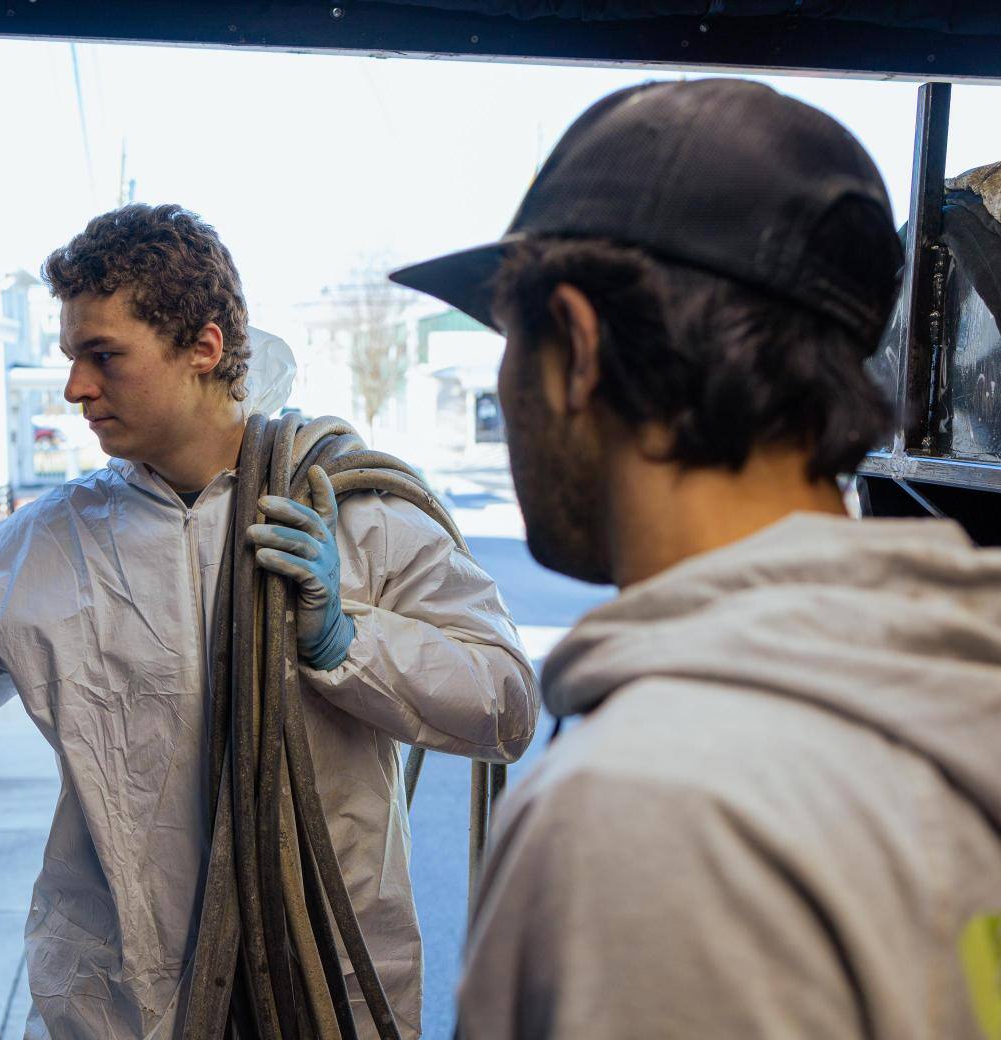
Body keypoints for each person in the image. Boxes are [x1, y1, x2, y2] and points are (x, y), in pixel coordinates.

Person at [0, 203, 540, 1040]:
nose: (76, 387)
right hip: (116, 999)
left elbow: (503, 701)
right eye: (70, 355)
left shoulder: (353, 514)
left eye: (103, 355)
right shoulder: (58, 538)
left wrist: (344, 642)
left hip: (319, 990)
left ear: (205, 347)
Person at [393, 78, 1001, 1039]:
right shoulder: (955, 679)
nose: (506, 393)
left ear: (580, 349)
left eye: (511, 342)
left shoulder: (646, 810)